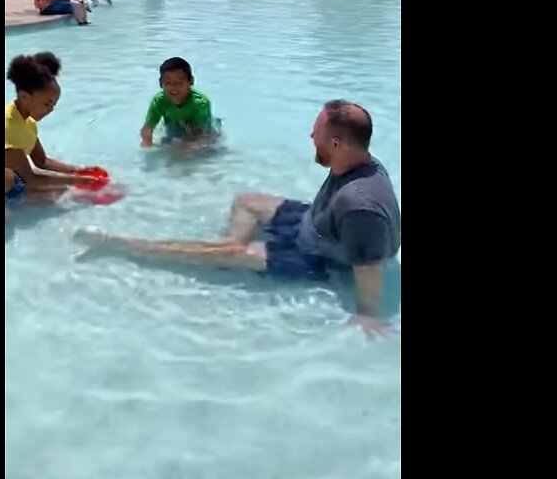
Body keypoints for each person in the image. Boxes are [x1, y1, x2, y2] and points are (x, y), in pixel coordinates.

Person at [79, 100, 401, 331]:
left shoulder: (360, 207)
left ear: (336, 141)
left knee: (231, 252)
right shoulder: (358, 162)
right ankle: (225, 253)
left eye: (315, 132)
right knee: (247, 201)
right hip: (315, 223)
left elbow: (368, 267)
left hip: (319, 257)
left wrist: (368, 314)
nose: (310, 137)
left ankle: (118, 244)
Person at [5, 53, 100, 205]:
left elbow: (41, 161)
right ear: (24, 97)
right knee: (62, 195)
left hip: (18, 181)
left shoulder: (26, 120)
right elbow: (32, 180)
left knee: (65, 192)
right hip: (12, 183)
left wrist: (78, 170)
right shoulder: (8, 127)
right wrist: (76, 181)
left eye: (53, 105)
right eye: (46, 104)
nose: (50, 110)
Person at [140, 57, 216, 147]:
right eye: (168, 83)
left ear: (191, 81)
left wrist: (183, 148)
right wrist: (147, 143)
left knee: (208, 147)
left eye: (179, 83)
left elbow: (198, 134)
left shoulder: (200, 103)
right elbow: (147, 129)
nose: (174, 88)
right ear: (161, 83)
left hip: (201, 131)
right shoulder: (159, 101)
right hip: (174, 128)